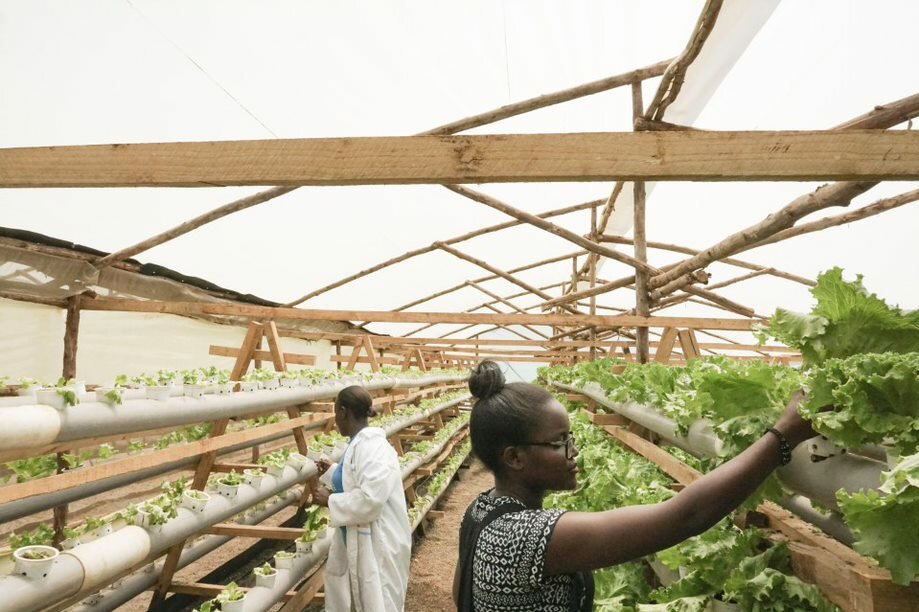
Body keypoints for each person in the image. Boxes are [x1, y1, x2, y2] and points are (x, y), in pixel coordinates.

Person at [453, 360, 818, 612]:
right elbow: (686, 516)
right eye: (559, 441)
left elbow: (460, 593)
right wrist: (782, 436)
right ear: (514, 457)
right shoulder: (529, 536)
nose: (573, 450)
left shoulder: (481, 510)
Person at [311, 385, 411, 612]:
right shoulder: (358, 444)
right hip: (358, 537)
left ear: (343, 412)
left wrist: (330, 500)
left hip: (379, 541)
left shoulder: (373, 448)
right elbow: (355, 477)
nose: (335, 420)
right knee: (361, 599)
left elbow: (371, 499)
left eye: (336, 412)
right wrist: (333, 471)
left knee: (379, 601)